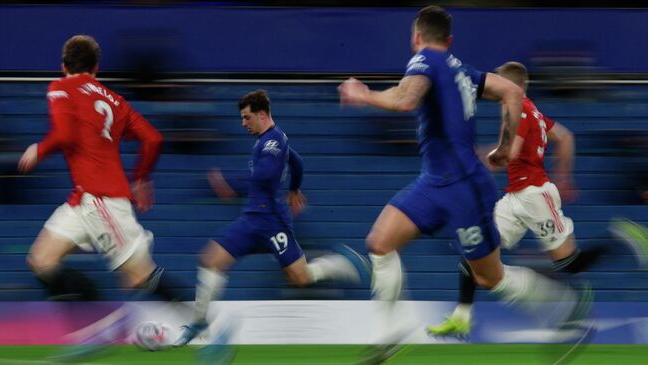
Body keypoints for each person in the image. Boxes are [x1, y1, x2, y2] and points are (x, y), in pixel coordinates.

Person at [338, 6, 591, 363]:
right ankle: (390, 335)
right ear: (450, 39)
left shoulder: (424, 59)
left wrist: (362, 94)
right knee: (380, 243)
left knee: (490, 279)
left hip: (463, 188)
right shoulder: (461, 68)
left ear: (416, 37)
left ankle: (563, 305)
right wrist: (505, 148)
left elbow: (405, 98)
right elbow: (511, 92)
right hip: (434, 181)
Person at [174, 89, 369, 346]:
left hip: (272, 223)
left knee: (301, 278)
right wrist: (295, 189)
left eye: (246, 117)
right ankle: (199, 323)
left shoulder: (273, 142)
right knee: (210, 259)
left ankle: (341, 264)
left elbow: (265, 175)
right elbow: (297, 162)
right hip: (251, 219)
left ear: (262, 114)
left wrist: (231, 181)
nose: (243, 123)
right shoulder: (272, 141)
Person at [428, 61, 606, 338]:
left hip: (535, 195)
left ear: (512, 86)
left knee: (569, 264)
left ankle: (620, 239)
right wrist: (564, 177)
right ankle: (461, 317)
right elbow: (565, 137)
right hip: (516, 197)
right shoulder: (533, 111)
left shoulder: (520, 109)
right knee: (476, 251)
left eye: (498, 83)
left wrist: (473, 159)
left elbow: (508, 155)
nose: (494, 88)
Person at [18, 35, 186, 315]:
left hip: (102, 200)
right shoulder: (116, 101)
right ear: (96, 68)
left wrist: (39, 149)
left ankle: (205, 324)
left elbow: (65, 133)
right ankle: (91, 324)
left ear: (63, 66)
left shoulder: (61, 87)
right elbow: (153, 139)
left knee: (140, 275)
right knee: (41, 259)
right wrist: (142, 178)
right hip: (83, 199)